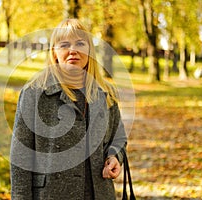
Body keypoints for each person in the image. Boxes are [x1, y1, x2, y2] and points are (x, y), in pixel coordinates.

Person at [10, 18, 127, 200]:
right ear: (54, 52)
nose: (73, 50)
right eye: (65, 44)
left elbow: (118, 138)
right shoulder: (34, 92)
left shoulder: (106, 93)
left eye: (80, 43)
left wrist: (114, 157)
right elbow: (21, 155)